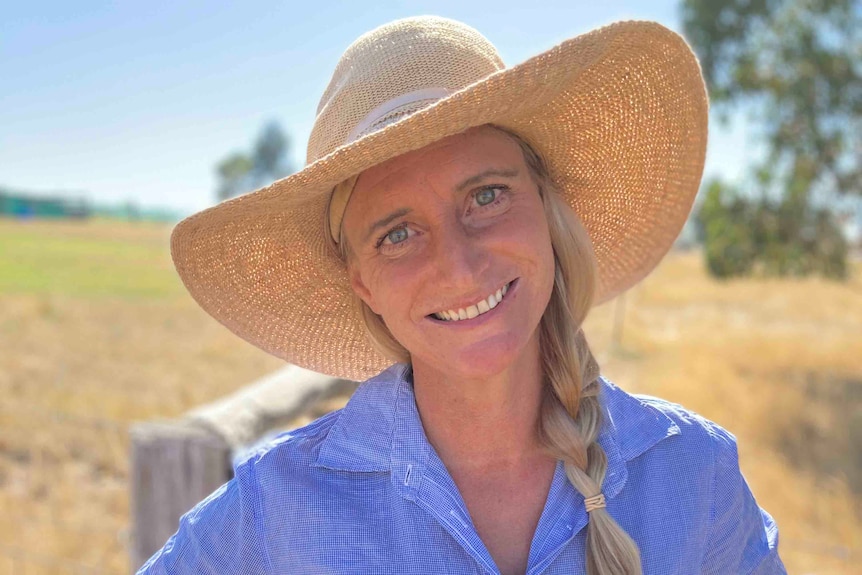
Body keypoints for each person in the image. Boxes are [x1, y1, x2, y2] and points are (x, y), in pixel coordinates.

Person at [141, 16, 785, 575]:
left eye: (486, 196)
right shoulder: (274, 510)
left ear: (547, 211)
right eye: (397, 233)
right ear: (361, 282)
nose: (457, 265)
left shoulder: (693, 474)